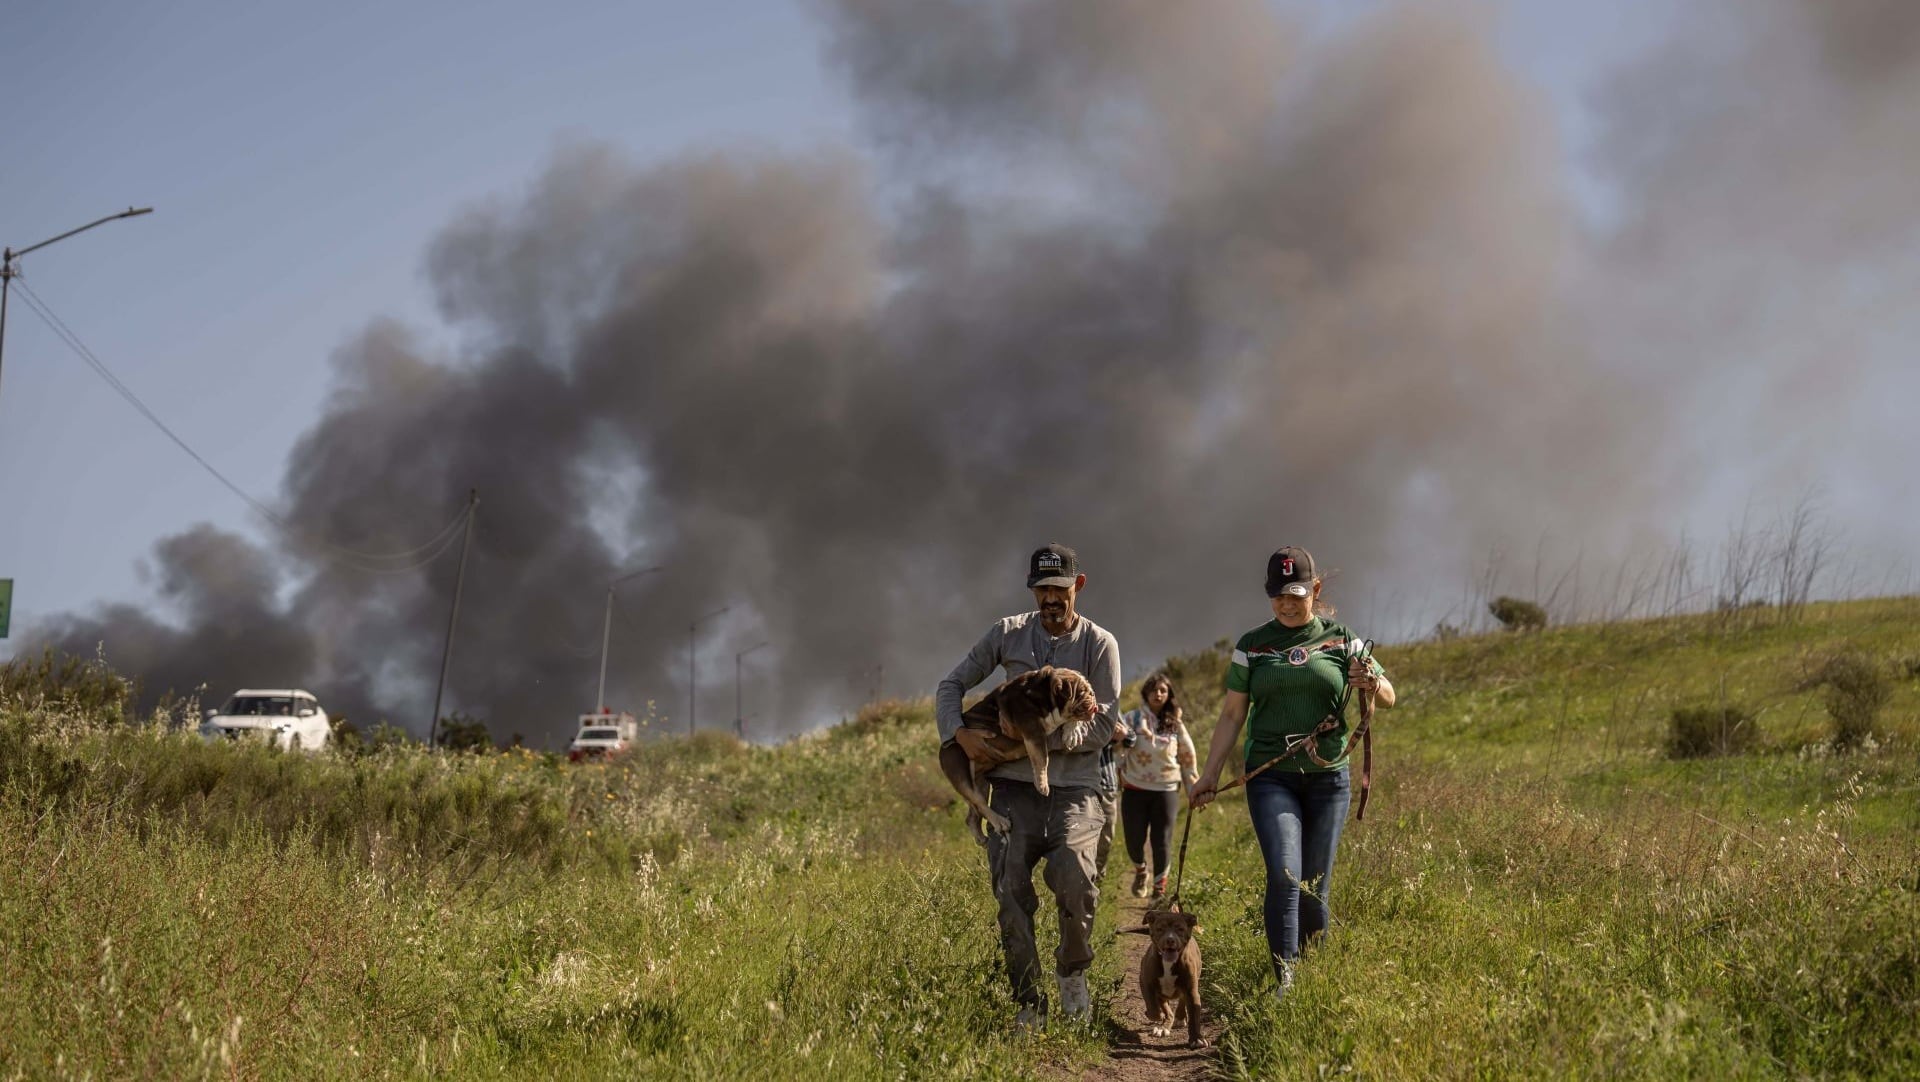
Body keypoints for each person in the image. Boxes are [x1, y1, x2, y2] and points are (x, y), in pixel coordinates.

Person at [1190, 546, 1394, 997]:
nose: (1287, 603)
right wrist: (1209, 775)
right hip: (1270, 775)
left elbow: (1389, 694)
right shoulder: (1252, 646)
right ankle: (1285, 978)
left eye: (1297, 594)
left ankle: (1313, 980)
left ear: (1315, 590)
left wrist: (1372, 682)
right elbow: (1230, 716)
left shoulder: (1343, 638)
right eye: (1279, 594)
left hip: (1329, 780)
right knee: (1285, 873)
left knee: (1315, 886)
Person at [936, 543, 1125, 1029]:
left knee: (1077, 882)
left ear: (1077, 587)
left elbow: (1103, 727)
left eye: (1059, 589)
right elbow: (950, 685)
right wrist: (956, 733)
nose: (1050, 599)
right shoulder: (1007, 634)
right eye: (1042, 590)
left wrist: (1029, 741)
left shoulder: (1100, 645)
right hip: (1014, 793)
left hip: (1078, 791)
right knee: (1011, 892)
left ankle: (1072, 974)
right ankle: (1028, 1002)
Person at [1118, 671, 1199, 899]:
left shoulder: (1174, 723)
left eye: (1163, 690)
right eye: (1154, 689)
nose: (1159, 694)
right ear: (1146, 693)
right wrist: (1116, 771)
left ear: (1168, 694)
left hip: (1166, 789)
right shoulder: (1131, 719)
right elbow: (1116, 746)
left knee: (1161, 840)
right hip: (1134, 788)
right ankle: (1141, 870)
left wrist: (1193, 785)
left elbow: (1187, 755)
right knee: (1134, 840)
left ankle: (1159, 891)